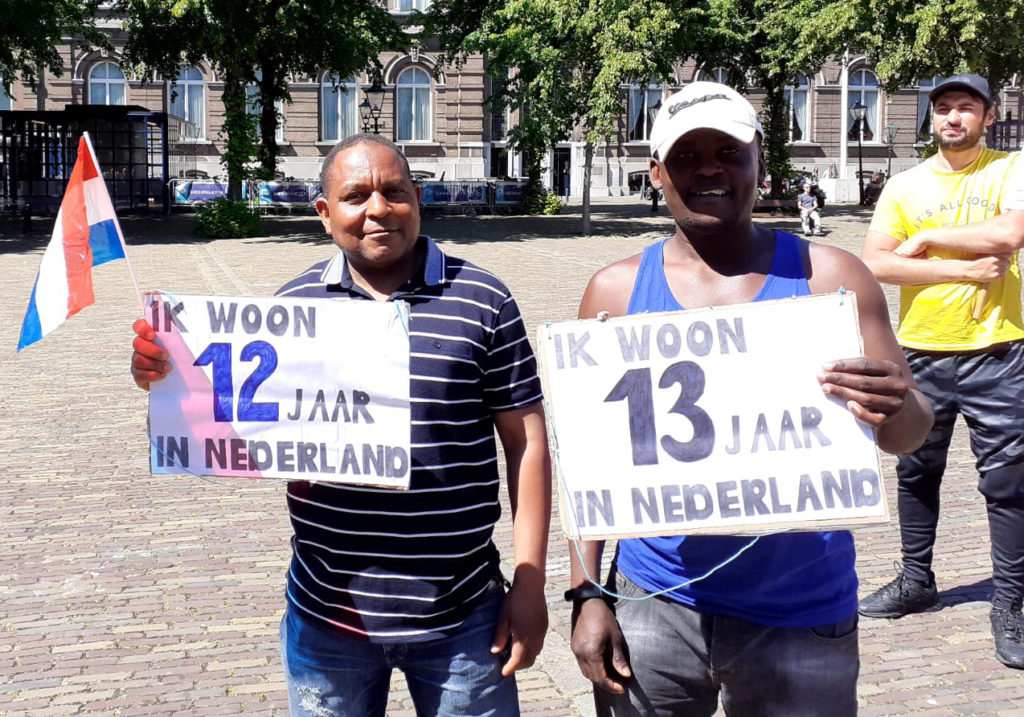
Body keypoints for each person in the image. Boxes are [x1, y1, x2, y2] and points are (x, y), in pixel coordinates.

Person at [130, 133, 552, 715]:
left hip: (463, 613)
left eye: (394, 192)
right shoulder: (291, 309)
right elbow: (231, 422)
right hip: (328, 614)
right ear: (326, 214)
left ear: (417, 198)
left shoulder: (483, 299)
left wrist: (532, 580)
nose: (378, 209)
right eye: (356, 196)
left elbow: (526, 443)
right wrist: (166, 375)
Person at [566, 81, 933, 716]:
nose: (708, 167)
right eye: (686, 156)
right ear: (656, 172)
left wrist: (897, 401)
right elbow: (588, 473)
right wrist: (587, 593)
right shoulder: (615, 291)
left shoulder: (833, 278)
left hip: (801, 609)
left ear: (760, 163)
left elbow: (908, 436)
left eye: (728, 152)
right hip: (656, 601)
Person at [859, 73, 1024, 670]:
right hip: (921, 351)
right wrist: (964, 270)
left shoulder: (1010, 169)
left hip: (999, 350)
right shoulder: (903, 184)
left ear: (987, 116)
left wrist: (928, 237)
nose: (954, 118)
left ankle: (1010, 603)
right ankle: (916, 578)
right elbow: (876, 264)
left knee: (1008, 483)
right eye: (944, 108)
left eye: (966, 108)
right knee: (914, 470)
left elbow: (1013, 230)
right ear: (932, 118)